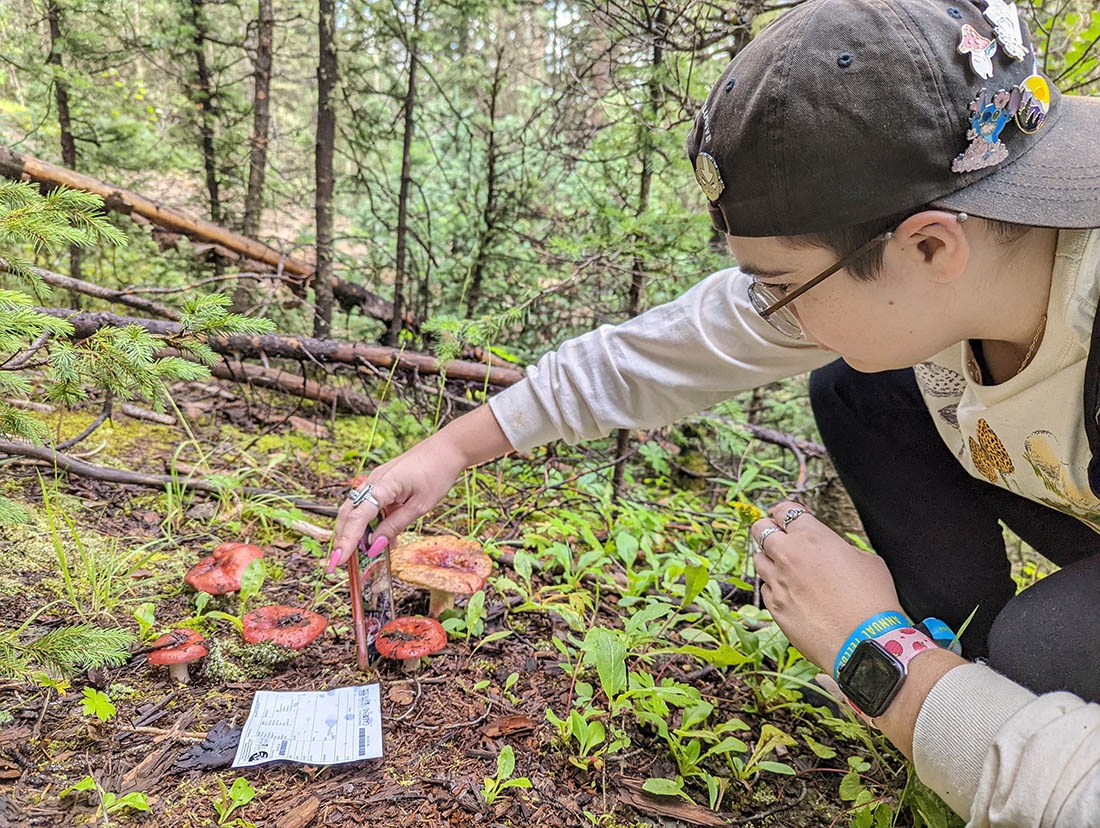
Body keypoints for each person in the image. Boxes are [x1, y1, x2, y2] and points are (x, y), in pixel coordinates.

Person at [330, 0, 1100, 823]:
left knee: (1045, 648)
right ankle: (966, 662)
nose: (762, 312)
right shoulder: (956, 253)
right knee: (858, 386)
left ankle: (969, 685)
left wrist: (876, 656)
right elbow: (660, 352)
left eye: (778, 287)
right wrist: (447, 452)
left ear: (930, 246)